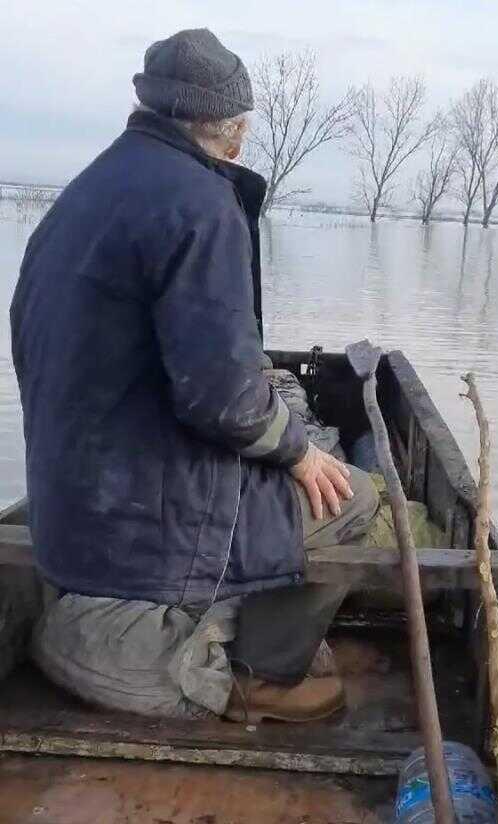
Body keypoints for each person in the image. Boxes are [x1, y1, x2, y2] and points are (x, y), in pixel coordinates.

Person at [10, 28, 379, 722]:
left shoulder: (81, 195)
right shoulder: (202, 205)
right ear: (233, 131)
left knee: (281, 469)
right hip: (136, 520)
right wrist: (298, 452)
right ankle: (261, 675)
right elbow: (226, 402)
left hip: (75, 503)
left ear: (148, 107)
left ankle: (207, 609)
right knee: (351, 498)